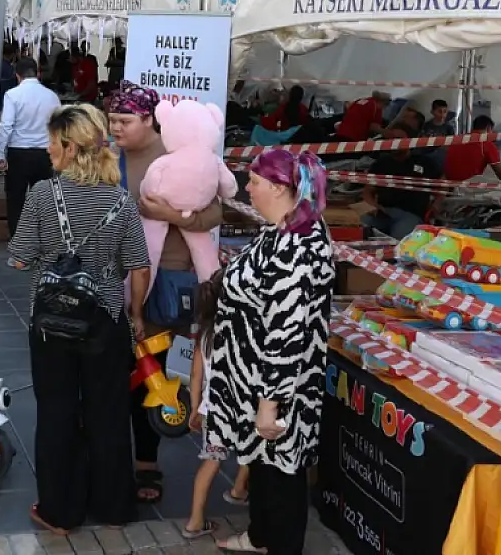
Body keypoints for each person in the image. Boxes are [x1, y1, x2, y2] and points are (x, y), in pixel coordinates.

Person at [8, 103, 150, 534]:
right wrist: (135, 315)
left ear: (69, 147)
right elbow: (138, 267)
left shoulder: (40, 195)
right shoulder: (122, 201)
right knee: (108, 411)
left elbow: (17, 260)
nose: (47, 148)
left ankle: (60, 510)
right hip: (105, 320)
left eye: (52, 141)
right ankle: (114, 506)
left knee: (57, 411)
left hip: (51, 322)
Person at [203, 147, 334, 555]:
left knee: (281, 475)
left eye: (255, 182)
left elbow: (286, 335)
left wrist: (269, 406)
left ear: (279, 188)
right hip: (251, 379)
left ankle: (279, 545)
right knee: (262, 467)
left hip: (276, 388)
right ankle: (260, 537)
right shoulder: (281, 231)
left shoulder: (297, 248)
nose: (248, 188)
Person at [106, 80, 225, 505]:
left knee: (150, 370)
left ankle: (146, 463)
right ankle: (109, 457)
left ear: (149, 121)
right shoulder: (106, 157)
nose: (115, 128)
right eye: (111, 120)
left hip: (164, 282)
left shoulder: (177, 156)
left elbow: (214, 210)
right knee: (112, 372)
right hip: (110, 278)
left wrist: (167, 215)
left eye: (124, 121)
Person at [184, 271, 250, 539]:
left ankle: (195, 521)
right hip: (242, 408)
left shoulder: (206, 335)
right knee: (253, 452)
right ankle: (238, 489)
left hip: (213, 411)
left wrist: (195, 407)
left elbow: (196, 376)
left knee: (211, 462)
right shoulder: (243, 331)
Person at [0, 56, 58, 235]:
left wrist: (0, 154)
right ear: (38, 73)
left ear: (17, 75)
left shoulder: (12, 95)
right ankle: (44, 240)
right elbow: (58, 127)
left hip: (19, 153)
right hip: (45, 153)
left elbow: (6, 125)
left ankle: (18, 244)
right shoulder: (52, 96)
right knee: (44, 199)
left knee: (16, 200)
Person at [361, 130, 435, 238]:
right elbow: (367, 191)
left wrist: (437, 204)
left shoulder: (424, 162)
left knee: (399, 238)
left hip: (411, 215)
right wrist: (373, 206)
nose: (394, 142)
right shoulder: (381, 163)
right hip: (383, 212)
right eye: (391, 139)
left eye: (399, 138)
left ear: (409, 141)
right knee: (357, 226)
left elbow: (442, 183)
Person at [443, 115, 501, 181]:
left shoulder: (457, 139)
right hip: (467, 189)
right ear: (488, 128)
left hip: (448, 185)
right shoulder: (486, 144)